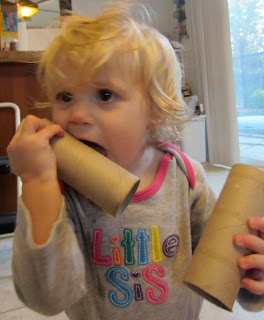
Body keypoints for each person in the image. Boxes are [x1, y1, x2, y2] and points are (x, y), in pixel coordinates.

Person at [7, 3, 264, 320]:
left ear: (154, 112)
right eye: (65, 96)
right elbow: (45, 298)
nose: (76, 116)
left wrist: (254, 278)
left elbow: (227, 275)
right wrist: (38, 183)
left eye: (104, 95)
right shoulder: (60, 191)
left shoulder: (185, 177)